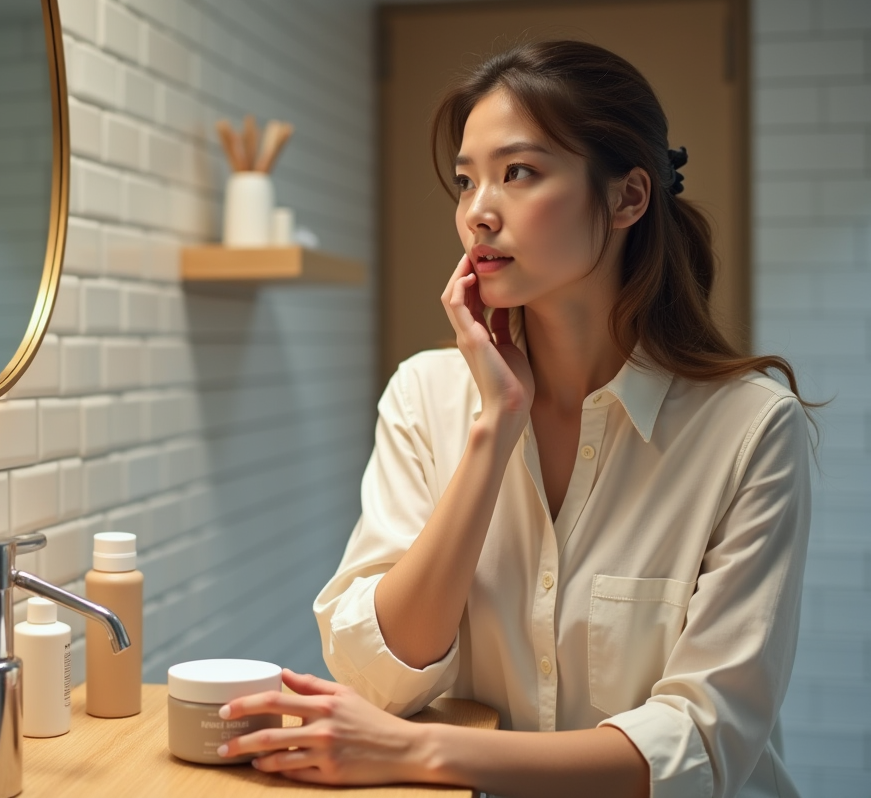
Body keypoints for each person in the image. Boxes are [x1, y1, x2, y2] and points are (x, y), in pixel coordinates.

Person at [215, 40, 814, 798]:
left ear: (629, 199)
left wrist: (419, 753)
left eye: (518, 173)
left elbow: (701, 742)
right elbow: (380, 677)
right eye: (466, 182)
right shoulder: (425, 396)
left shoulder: (753, 432)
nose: (477, 212)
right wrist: (495, 429)